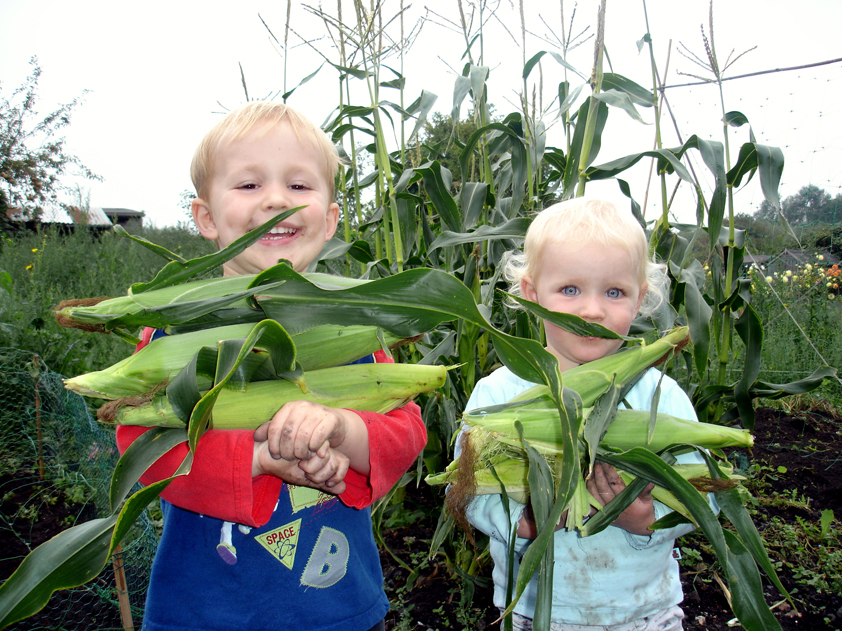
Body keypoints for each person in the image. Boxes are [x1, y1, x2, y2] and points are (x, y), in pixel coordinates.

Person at [115, 101, 427, 631]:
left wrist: (342, 430)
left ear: (330, 219)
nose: (277, 200)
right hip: (203, 616)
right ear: (207, 217)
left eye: (300, 187)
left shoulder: (349, 331)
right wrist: (257, 458)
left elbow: (406, 432)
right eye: (249, 186)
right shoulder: (175, 334)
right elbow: (143, 451)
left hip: (340, 611)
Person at [460, 198, 709, 631]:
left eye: (614, 292)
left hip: (644, 611)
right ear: (532, 294)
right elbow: (467, 492)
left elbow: (705, 497)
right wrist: (526, 522)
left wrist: (644, 518)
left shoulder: (660, 398)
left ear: (640, 300)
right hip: (534, 610)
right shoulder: (498, 395)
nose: (592, 311)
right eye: (570, 290)